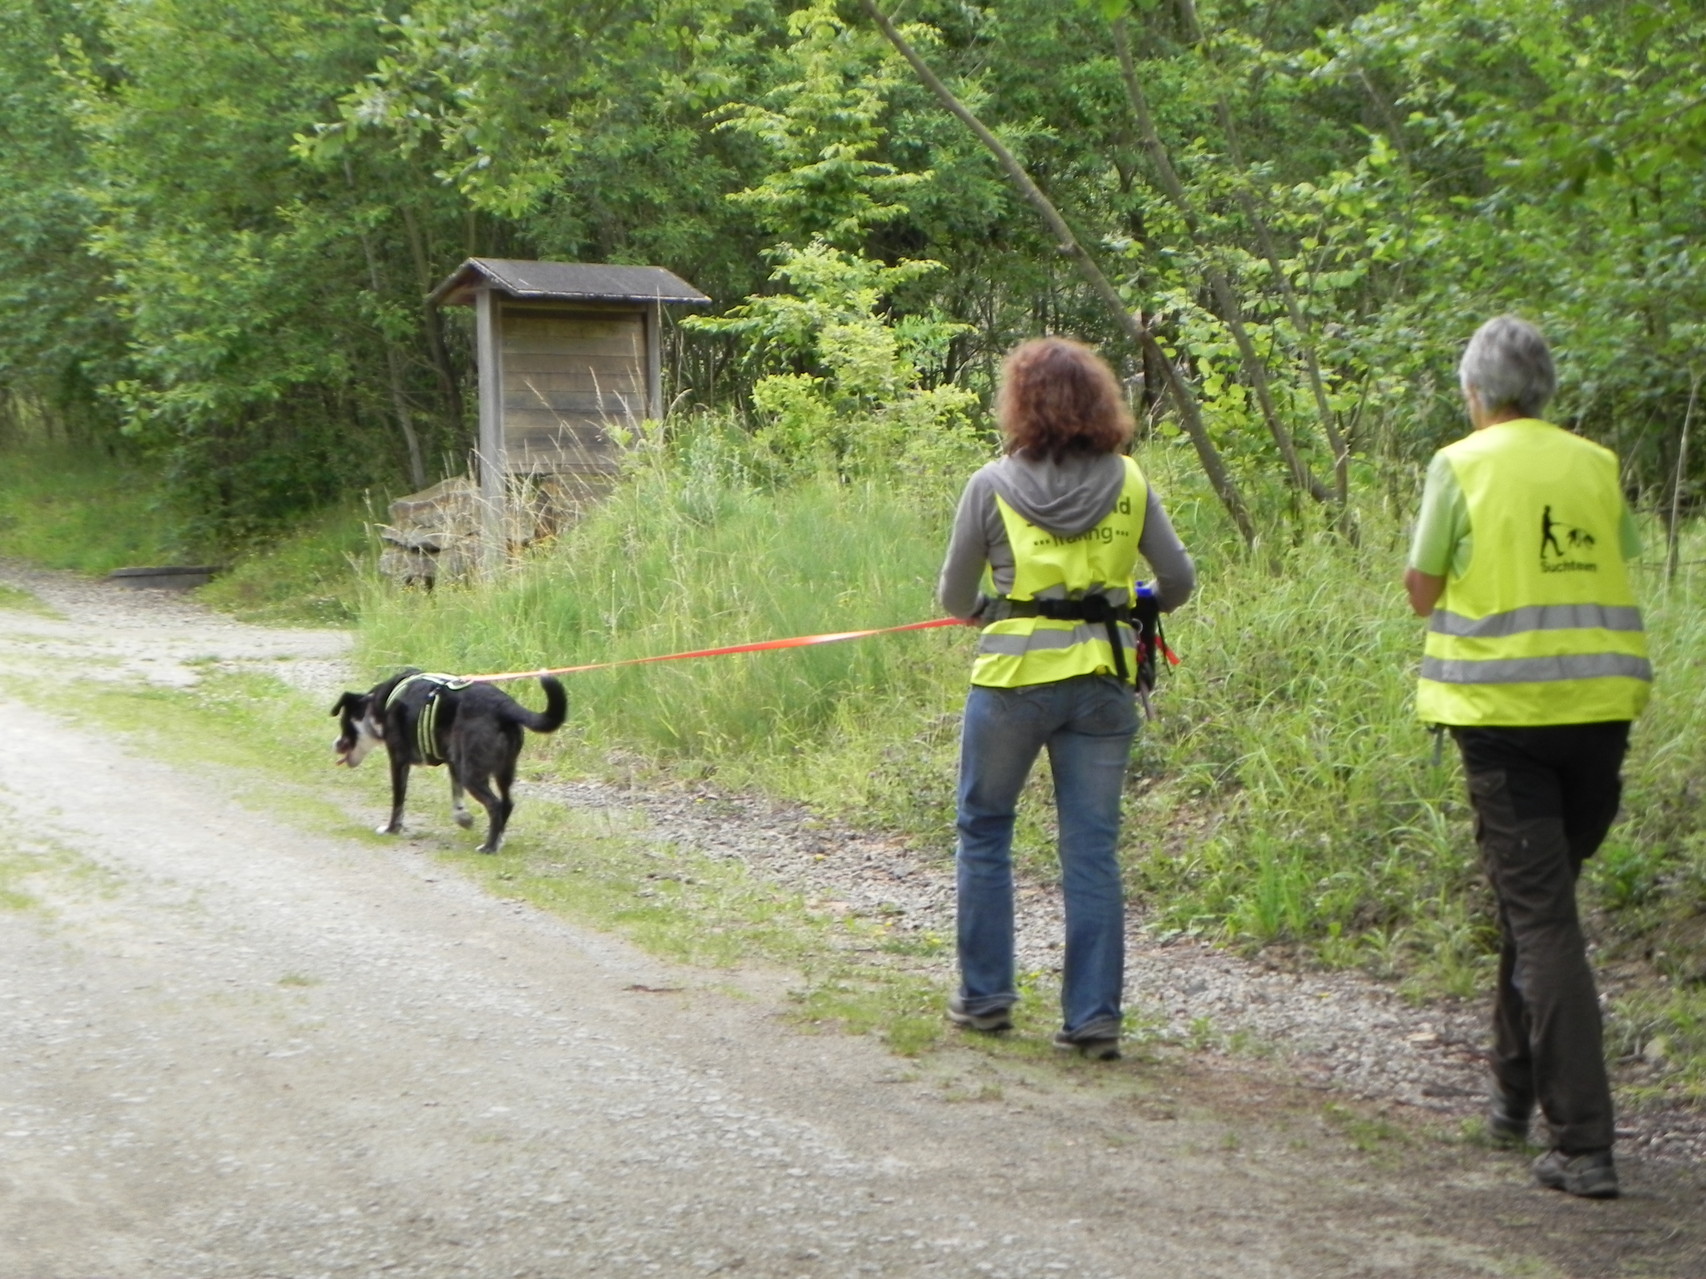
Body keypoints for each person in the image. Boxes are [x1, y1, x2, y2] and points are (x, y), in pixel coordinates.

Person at [1404, 315, 1651, 1199]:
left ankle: (1584, 1142)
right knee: (1533, 906)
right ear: (1545, 390)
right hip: (1602, 718)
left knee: (1543, 921)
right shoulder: (1594, 464)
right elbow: (1614, 557)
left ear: (1476, 393)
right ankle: (1512, 1098)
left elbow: (1423, 590)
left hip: (1505, 722)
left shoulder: (1460, 464)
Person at [937, 336, 1195, 1060]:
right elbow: (1177, 581)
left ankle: (986, 998)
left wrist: (994, 609)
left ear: (1020, 402)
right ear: (1098, 401)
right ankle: (1093, 1018)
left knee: (985, 829)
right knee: (1092, 849)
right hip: (1103, 685)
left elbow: (953, 596)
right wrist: (1131, 597)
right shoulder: (1130, 481)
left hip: (1013, 683)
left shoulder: (989, 483)